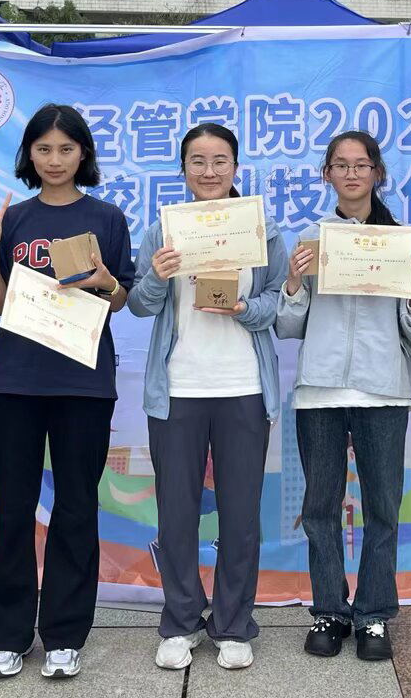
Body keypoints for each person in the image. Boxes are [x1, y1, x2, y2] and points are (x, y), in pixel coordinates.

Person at [0, 104, 135, 680]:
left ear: (83, 154)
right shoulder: (13, 219)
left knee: (76, 506)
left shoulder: (107, 218)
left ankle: (65, 634)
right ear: (29, 155)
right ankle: (7, 635)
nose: (55, 159)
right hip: (16, 380)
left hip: (84, 383)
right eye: (43, 149)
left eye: (66, 149)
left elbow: (120, 299)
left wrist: (105, 281)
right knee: (13, 507)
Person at [128, 123, 288, 672]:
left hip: (244, 387)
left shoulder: (262, 231)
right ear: (183, 170)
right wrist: (156, 276)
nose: (210, 171)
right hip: (178, 390)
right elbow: (140, 304)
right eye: (197, 161)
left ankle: (233, 623)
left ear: (237, 168)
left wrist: (244, 309)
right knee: (176, 514)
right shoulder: (163, 230)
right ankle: (180, 621)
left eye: (220, 160)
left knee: (241, 516)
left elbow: (278, 303)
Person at [277, 130, 411, 661]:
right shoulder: (310, 240)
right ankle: (329, 610)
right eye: (340, 165)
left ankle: (373, 615)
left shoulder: (401, 243)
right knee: (319, 507)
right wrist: (293, 283)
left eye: (361, 165)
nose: (351, 173)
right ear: (327, 174)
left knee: (383, 508)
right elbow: (288, 326)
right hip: (320, 389)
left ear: (377, 173)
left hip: (383, 388)